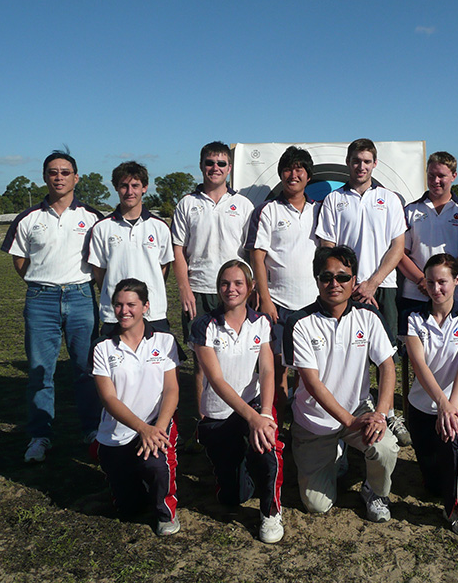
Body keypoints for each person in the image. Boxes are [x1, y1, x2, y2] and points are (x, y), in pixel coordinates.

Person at [282, 246, 399, 521]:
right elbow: (311, 383)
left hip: (357, 411)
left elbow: (387, 366)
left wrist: (380, 415)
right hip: (314, 421)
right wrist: (348, 422)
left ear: (354, 280)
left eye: (343, 277)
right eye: (326, 277)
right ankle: (337, 451)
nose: (334, 284)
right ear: (317, 280)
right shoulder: (299, 322)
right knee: (317, 506)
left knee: (385, 447)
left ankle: (374, 491)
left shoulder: (368, 317)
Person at [1, 149, 103, 463]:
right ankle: (39, 436)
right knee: (39, 372)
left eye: (64, 172)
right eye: (53, 172)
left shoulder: (92, 217)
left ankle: (92, 431)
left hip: (81, 296)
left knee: (86, 370)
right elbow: (20, 261)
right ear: (45, 177)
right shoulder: (29, 218)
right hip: (40, 299)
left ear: (76, 177)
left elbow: (101, 261)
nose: (59, 177)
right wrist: (43, 283)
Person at [315, 138, 410, 446]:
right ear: (348, 162)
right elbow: (327, 246)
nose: (361, 166)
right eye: (356, 160)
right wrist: (351, 283)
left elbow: (398, 247)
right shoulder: (333, 200)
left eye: (367, 161)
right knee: (344, 355)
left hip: (382, 288)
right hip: (345, 290)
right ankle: (342, 416)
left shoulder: (389, 199)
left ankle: (389, 413)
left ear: (375, 164)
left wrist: (372, 282)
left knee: (386, 356)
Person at [191, 260, 285, 543]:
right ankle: (242, 468)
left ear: (251, 287)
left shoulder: (261, 322)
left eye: (238, 283)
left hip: (253, 406)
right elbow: (216, 381)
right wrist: (252, 417)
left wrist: (264, 414)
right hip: (219, 414)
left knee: (268, 448)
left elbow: (267, 369)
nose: (231, 289)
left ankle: (270, 511)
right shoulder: (204, 325)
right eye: (225, 283)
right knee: (233, 497)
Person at [401, 254, 458, 537]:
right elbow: (420, 366)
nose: (436, 288)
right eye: (430, 282)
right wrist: (439, 403)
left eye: (443, 282)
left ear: (457, 280)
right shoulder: (413, 318)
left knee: (453, 435)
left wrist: (450, 408)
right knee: (433, 485)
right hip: (422, 405)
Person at [171, 141, 254, 430]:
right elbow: (178, 249)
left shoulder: (243, 205)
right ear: (201, 165)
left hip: (234, 294)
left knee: (237, 357)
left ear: (229, 168)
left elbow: (248, 254)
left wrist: (248, 292)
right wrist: (184, 287)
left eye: (221, 164)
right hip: (199, 291)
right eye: (209, 163)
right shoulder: (187, 203)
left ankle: (236, 418)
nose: (215, 168)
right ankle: (204, 422)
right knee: (202, 363)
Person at [91, 279, 181, 536]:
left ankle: (166, 513)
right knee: (128, 510)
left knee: (156, 464)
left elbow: (172, 390)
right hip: (118, 434)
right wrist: (142, 429)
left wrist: (157, 429)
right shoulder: (101, 346)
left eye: (131, 304)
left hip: (156, 424)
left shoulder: (164, 341)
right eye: (118, 305)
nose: (124, 311)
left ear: (146, 307)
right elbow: (109, 399)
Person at [246, 146, 320, 416]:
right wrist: (265, 299)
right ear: (280, 174)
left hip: (312, 304)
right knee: (276, 365)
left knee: (307, 365)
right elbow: (258, 256)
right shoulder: (267, 210)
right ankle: (278, 414)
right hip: (277, 303)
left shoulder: (320, 210)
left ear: (308, 175)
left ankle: (301, 414)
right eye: (288, 168)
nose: (294, 174)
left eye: (300, 168)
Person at [89, 161, 174, 334]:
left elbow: (163, 268)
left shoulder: (159, 227)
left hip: (153, 313)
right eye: (124, 186)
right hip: (115, 315)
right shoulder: (102, 228)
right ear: (116, 188)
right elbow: (99, 271)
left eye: (135, 186)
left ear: (145, 188)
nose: (130, 192)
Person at [399, 151, 458, 312]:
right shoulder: (410, 210)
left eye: (441, 176)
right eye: (431, 175)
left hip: (455, 296)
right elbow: (400, 253)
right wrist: (423, 281)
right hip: (416, 294)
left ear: (454, 176)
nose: (435, 181)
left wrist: (444, 282)